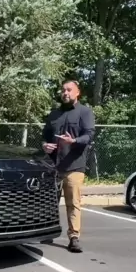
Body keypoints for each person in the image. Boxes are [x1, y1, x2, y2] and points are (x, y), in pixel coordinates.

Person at [42, 81, 95, 253]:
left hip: (74, 166)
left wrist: (74, 141)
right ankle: (48, 230)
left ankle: (74, 237)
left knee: (73, 203)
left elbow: (89, 135)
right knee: (50, 201)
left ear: (77, 92)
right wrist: (45, 145)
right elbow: (45, 136)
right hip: (53, 166)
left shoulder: (84, 112)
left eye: (69, 90)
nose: (65, 93)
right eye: (63, 90)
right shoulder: (54, 114)